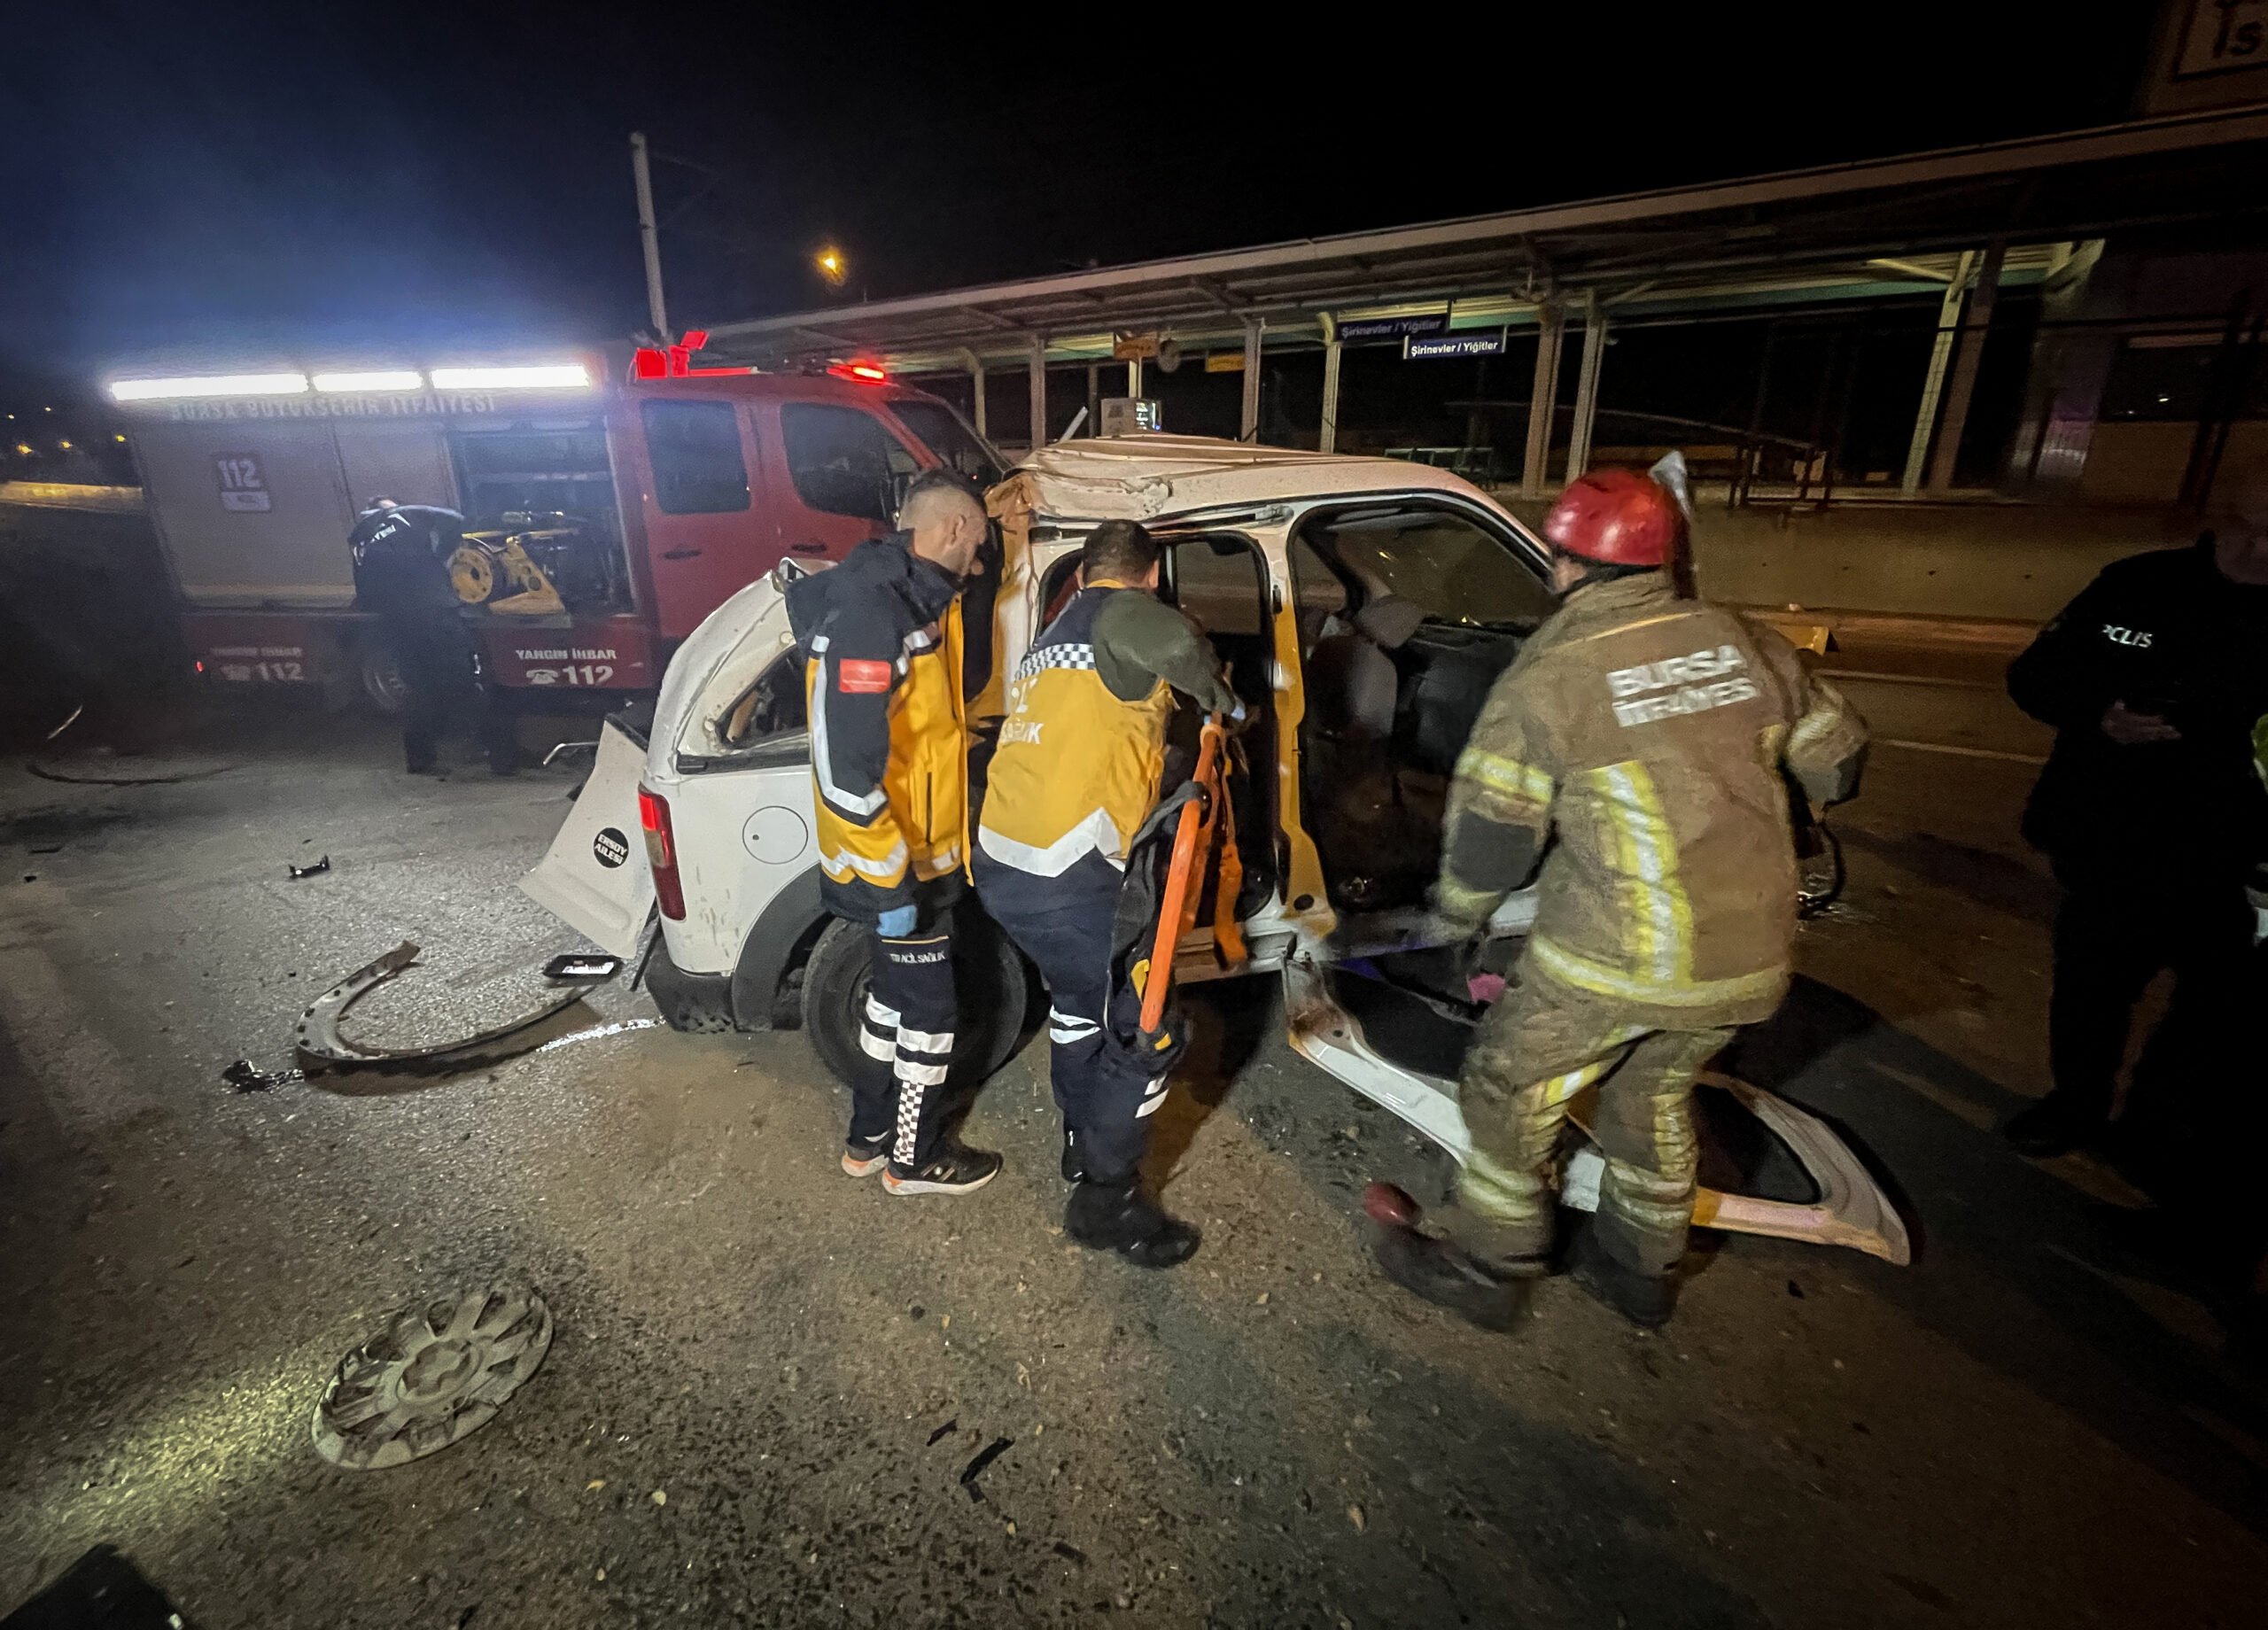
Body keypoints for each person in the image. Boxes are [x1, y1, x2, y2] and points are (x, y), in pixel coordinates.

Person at [1371, 462, 1868, 1331]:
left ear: (1564, 565)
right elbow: (1839, 760)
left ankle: (1487, 1270)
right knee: (1651, 1097)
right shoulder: (1744, 640)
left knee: (1506, 1087)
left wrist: (1452, 918)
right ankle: (1641, 1273)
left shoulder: (1551, 675)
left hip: (1614, 956)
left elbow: (1493, 838)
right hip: (1744, 959)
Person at [973, 520, 1244, 1267]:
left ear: (1084, 570)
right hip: (1070, 868)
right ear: (1148, 575)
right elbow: (1183, 652)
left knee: (1075, 1005)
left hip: (1005, 862)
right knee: (1145, 1028)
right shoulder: (1126, 612)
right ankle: (1107, 1198)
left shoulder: (1055, 630)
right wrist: (1223, 699)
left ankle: (1077, 1134)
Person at [2000, 470, 2268, 1164]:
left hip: (2234, 857)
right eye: (2250, 529)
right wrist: (2102, 715)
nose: (2260, 549)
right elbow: (2034, 677)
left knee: (2216, 1009)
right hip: (2112, 838)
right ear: (2220, 516)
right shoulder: (2139, 584)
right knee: (2091, 991)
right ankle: (2076, 1105)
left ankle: (2157, 1123)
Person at [786, 469, 1001, 1196]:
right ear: (949, 532)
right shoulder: (877, 616)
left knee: (889, 1003)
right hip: (896, 872)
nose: (981, 561)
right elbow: (846, 770)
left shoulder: (903, 597)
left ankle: (866, 1138)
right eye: (979, 541)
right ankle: (914, 1159)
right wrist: (890, 882)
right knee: (932, 1016)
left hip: (909, 864)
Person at [346, 496, 517, 775]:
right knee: (465, 683)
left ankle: (419, 759)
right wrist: (439, 558)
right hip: (436, 615)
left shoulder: (360, 541)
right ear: (391, 506)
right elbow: (454, 519)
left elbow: (365, 594)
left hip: (398, 625)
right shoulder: (406, 514)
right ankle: (502, 758)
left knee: (419, 690)